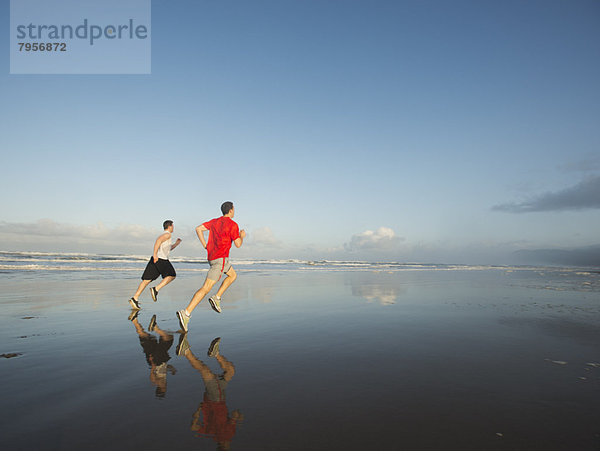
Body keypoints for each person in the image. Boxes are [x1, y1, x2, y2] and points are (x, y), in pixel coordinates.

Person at [176, 202, 245, 332]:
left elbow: (198, 229)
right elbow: (238, 244)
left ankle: (217, 297)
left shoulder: (215, 222)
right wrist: (242, 236)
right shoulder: (233, 225)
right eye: (234, 209)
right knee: (206, 288)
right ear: (231, 210)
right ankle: (186, 313)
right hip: (221, 259)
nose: (234, 211)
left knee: (233, 275)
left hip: (213, 257)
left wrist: (205, 245)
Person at [176, 336, 243, 449]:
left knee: (205, 371)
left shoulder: (227, 435)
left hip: (216, 398)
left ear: (225, 446)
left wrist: (238, 418)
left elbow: (235, 414)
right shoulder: (212, 434)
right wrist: (198, 410)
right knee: (230, 371)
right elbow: (194, 427)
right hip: (216, 398)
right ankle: (215, 353)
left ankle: (186, 352)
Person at [129, 220, 182, 310]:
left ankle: (135, 298)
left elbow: (168, 249)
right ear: (169, 226)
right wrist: (155, 254)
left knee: (147, 280)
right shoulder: (167, 234)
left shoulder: (167, 236)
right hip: (161, 259)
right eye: (173, 226)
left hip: (156, 259)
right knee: (172, 275)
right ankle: (156, 289)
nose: (173, 228)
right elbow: (158, 241)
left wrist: (176, 244)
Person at [129, 310, 177, 398]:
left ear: (161, 389)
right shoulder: (162, 381)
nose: (165, 388)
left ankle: (155, 328)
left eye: (164, 390)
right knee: (145, 336)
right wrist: (171, 368)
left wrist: (153, 364)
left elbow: (152, 377)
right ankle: (134, 320)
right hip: (158, 359)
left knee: (168, 338)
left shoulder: (157, 383)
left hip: (157, 359)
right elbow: (163, 369)